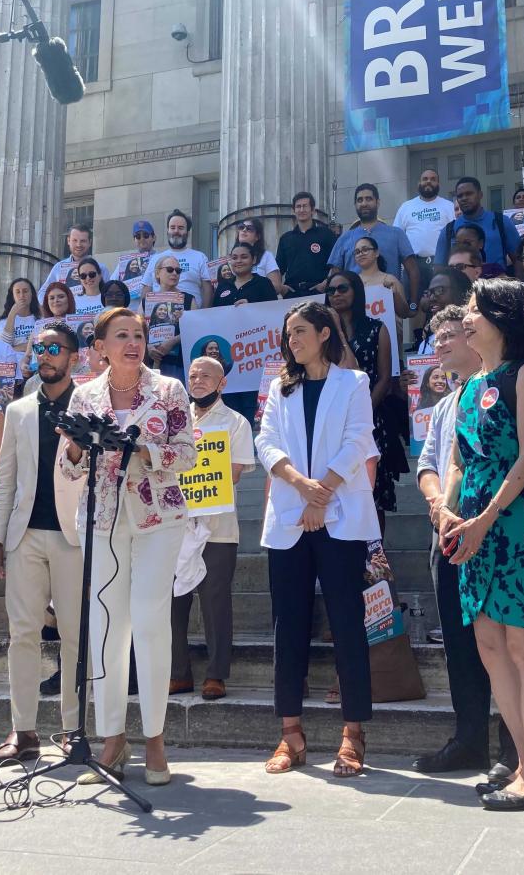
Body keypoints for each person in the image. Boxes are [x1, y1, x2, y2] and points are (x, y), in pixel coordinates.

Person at [58, 309, 196, 786]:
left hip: (159, 517)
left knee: (150, 620)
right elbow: (70, 468)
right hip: (101, 519)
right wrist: (78, 447)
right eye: (122, 336)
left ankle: (155, 738)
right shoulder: (84, 394)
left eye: (138, 335)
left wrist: (140, 449)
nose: (133, 342)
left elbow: (187, 453)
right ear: (100, 347)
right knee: (105, 627)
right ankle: (112, 740)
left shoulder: (169, 390)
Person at [436, 278, 524, 811]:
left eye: (475, 309)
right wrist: (449, 510)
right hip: (473, 523)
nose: (466, 318)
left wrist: (485, 517)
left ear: (502, 317)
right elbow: (460, 461)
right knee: (489, 643)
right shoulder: (466, 385)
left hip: (514, 520)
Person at [257, 302, 379, 778]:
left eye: (301, 331)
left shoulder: (353, 383)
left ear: (325, 333)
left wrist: (320, 492)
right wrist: (301, 486)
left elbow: (357, 442)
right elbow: (266, 443)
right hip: (290, 515)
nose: (293, 340)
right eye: (289, 334)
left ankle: (353, 734)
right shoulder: (278, 387)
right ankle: (291, 734)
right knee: (288, 627)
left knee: (348, 623)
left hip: (340, 517)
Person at [412, 306, 518, 778]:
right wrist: (439, 507)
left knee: (506, 642)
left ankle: (517, 746)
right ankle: (469, 739)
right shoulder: (442, 405)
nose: (440, 345)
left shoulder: (505, 386)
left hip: (495, 531)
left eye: (450, 335)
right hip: (448, 532)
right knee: (459, 643)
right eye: (435, 339)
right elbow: (429, 465)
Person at [0, 321, 86, 767]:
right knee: (22, 633)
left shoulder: (90, 404)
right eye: (37, 348)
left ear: (73, 357)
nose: (44, 355)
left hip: (76, 535)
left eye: (53, 348)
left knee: (74, 637)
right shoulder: (19, 411)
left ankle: (71, 730)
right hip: (24, 533)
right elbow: (5, 478)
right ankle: (23, 730)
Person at [169, 356, 256, 700]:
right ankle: (179, 673)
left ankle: (216, 675)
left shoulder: (236, 422)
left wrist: (193, 468)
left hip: (218, 527)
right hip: (176, 524)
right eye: (193, 375)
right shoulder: (175, 422)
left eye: (206, 375)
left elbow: (233, 472)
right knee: (173, 603)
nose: (198, 380)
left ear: (222, 383)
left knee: (215, 601)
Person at [325, 270, 407, 523]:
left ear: (356, 291)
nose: (336, 294)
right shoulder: (322, 335)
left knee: (373, 493)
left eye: (342, 288)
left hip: (371, 417)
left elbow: (384, 377)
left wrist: (363, 410)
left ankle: (375, 558)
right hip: (331, 419)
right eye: (331, 291)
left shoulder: (376, 328)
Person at [330, 184, 420, 306]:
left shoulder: (396, 234)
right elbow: (335, 275)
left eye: (368, 199)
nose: (364, 203)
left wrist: (413, 303)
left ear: (377, 202)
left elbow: (413, 270)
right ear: (355, 205)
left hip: (390, 306)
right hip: (354, 306)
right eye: (359, 200)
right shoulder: (345, 238)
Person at [433, 177, 519, 270]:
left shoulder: (502, 221)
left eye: (469, 194)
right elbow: (439, 267)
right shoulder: (449, 229)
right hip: (462, 283)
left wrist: (519, 284)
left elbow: (519, 260)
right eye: (460, 196)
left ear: (480, 195)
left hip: (497, 282)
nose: (464, 198)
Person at [142, 253, 198, 383]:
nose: (174, 273)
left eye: (178, 271)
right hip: (152, 362)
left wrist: (172, 342)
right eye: (170, 269)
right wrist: (148, 347)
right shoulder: (147, 301)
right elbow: (139, 329)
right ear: (157, 273)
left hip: (179, 364)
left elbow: (195, 330)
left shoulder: (189, 300)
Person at [147, 210, 213, 307]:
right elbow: (146, 289)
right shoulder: (155, 259)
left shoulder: (200, 257)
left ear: (187, 232)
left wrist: (203, 315)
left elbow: (208, 289)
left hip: (191, 314)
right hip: (159, 314)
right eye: (172, 227)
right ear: (168, 230)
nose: (176, 231)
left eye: (181, 228)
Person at [276, 190, 337, 297]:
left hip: (319, 291)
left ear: (313, 210)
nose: (301, 209)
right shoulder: (285, 238)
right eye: (298, 207)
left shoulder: (326, 234)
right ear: (294, 211)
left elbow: (336, 263)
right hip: (292, 292)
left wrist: (326, 283)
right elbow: (278, 268)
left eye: (305, 206)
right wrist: (282, 288)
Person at [395, 168, 455, 262]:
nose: (428, 181)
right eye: (425, 179)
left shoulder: (449, 206)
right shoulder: (406, 207)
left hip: (441, 262)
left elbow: (456, 235)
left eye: (433, 179)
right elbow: (397, 235)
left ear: (438, 184)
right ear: (419, 183)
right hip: (413, 263)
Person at [40, 224, 107, 300]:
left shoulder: (101, 268)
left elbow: (108, 293)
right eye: (75, 240)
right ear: (68, 241)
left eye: (83, 241)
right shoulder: (59, 267)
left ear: (90, 242)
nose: (78, 245)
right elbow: (43, 292)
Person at [352, 235, 412, 318]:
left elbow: (404, 313)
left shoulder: (390, 280)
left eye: (365, 250)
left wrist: (395, 295)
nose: (361, 254)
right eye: (357, 252)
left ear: (376, 253)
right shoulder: (352, 282)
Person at [417, 267, 473, 354]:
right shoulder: (424, 346)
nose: (431, 298)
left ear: (461, 292)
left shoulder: (476, 336)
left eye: (439, 290)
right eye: (429, 292)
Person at [0, 277, 43, 368]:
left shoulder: (41, 318)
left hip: (36, 366)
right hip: (11, 367)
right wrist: (12, 314)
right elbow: (2, 348)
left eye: (25, 291)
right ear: (12, 296)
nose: (22, 295)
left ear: (32, 294)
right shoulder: (2, 321)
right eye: (17, 292)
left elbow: (43, 345)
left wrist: (16, 348)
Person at [214, 242, 278, 306]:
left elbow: (273, 310)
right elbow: (215, 312)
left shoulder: (264, 283)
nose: (239, 261)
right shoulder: (222, 285)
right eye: (234, 258)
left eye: (244, 257)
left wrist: (251, 306)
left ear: (254, 259)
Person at [234, 217, 286, 294]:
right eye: (241, 227)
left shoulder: (266, 256)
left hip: (259, 304)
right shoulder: (230, 259)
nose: (244, 230)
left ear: (257, 237)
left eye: (249, 228)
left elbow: (276, 287)